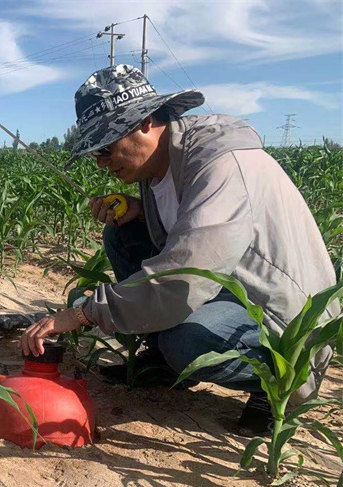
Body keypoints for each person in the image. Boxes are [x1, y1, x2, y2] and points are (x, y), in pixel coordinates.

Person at [20, 64, 337, 436]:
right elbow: (188, 240)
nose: (103, 163)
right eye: (95, 155)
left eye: (106, 148)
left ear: (145, 122)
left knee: (187, 341)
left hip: (281, 316)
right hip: (228, 286)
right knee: (122, 236)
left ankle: (275, 384)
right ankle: (165, 365)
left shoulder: (221, 165)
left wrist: (82, 313)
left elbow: (184, 275)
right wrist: (139, 214)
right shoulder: (159, 166)